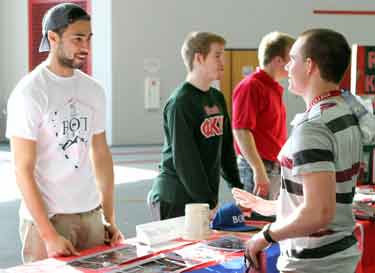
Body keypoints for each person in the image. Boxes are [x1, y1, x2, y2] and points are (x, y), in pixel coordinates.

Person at [233, 29, 364, 273]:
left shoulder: (313, 127)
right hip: (339, 256)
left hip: (314, 263)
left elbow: (318, 212)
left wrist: (264, 236)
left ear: (309, 65)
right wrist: (272, 206)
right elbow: (325, 195)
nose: (288, 66)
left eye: (292, 59)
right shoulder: (345, 114)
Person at [6, 3, 124, 263]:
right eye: (77, 38)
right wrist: (48, 235)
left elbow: (100, 154)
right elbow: (22, 169)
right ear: (53, 38)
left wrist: (108, 217)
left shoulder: (93, 90)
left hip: (91, 216)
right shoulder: (30, 92)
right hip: (49, 220)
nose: (85, 47)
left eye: (88, 38)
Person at [148, 32, 243, 220]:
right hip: (175, 197)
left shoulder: (217, 97)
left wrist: (238, 188)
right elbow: (185, 161)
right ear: (199, 58)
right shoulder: (180, 103)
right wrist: (207, 201)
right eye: (217, 55)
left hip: (200, 198)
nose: (222, 62)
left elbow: (226, 150)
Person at [232, 32, 295, 199]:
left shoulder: (272, 88)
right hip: (259, 166)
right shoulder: (251, 86)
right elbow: (241, 131)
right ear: (278, 60)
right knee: (256, 219)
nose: (294, 64)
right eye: (292, 58)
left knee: (270, 218)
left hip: (272, 165)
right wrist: (258, 170)